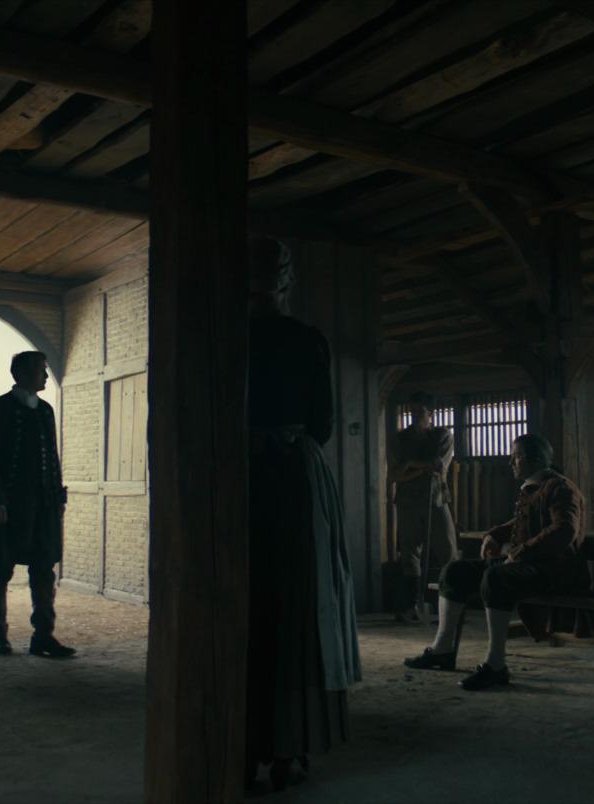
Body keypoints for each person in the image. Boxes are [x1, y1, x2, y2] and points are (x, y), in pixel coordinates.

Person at [245, 235, 362, 792]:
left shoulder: (222, 336)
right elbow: (322, 425)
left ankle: (245, 742)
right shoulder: (307, 340)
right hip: (292, 475)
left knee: (248, 603)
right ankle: (286, 747)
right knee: (299, 604)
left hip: (238, 477)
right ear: (286, 281)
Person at [402, 434, 588, 691]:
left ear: (535, 459)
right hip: (525, 564)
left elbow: (564, 530)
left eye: (517, 457)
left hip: (554, 570)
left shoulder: (561, 489)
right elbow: (523, 522)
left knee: (497, 577)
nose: (511, 462)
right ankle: (442, 650)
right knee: (454, 571)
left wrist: (520, 552)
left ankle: (496, 665)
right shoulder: (533, 487)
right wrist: (495, 535)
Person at [0, 351, 76, 659]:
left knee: (43, 569)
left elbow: (52, 456)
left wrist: (57, 497)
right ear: (21, 374)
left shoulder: (45, 410)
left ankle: (43, 637)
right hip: (10, 505)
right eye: (40, 370)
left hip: (43, 505)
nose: (45, 376)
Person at [389, 391, 457, 622]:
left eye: (420, 412)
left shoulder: (442, 436)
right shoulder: (400, 439)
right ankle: (411, 605)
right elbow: (395, 475)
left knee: (447, 551)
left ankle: (451, 605)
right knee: (409, 555)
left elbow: (439, 466)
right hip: (408, 502)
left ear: (431, 413)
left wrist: (410, 464)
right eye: (413, 411)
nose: (415, 415)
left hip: (436, 499)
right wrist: (421, 468)